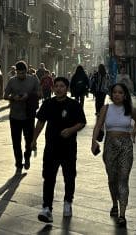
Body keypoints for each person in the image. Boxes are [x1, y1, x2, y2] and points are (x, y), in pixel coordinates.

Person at [32, 76, 86, 223]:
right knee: (48, 177)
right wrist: (34, 139)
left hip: (68, 147)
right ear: (53, 88)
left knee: (69, 176)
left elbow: (82, 122)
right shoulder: (48, 104)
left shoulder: (74, 105)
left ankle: (68, 201)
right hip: (51, 147)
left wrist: (71, 130)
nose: (59, 89)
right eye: (56, 86)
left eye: (62, 86)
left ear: (67, 88)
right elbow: (40, 122)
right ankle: (47, 208)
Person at [92, 83, 136, 228]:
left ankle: (122, 214)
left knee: (123, 179)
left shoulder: (130, 109)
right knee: (112, 178)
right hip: (110, 146)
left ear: (125, 95)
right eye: (114, 92)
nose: (117, 95)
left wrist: (133, 133)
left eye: (120, 92)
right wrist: (93, 141)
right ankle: (114, 203)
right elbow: (98, 125)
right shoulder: (106, 108)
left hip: (126, 146)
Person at [4, 60, 40, 171]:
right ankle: (18, 162)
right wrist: (13, 97)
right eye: (19, 73)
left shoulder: (33, 80)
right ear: (16, 72)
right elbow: (5, 95)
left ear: (26, 71)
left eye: (23, 73)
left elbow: (40, 93)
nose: (21, 75)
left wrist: (28, 95)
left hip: (28, 115)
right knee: (16, 141)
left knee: (29, 140)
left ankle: (27, 157)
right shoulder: (12, 81)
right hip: (15, 115)